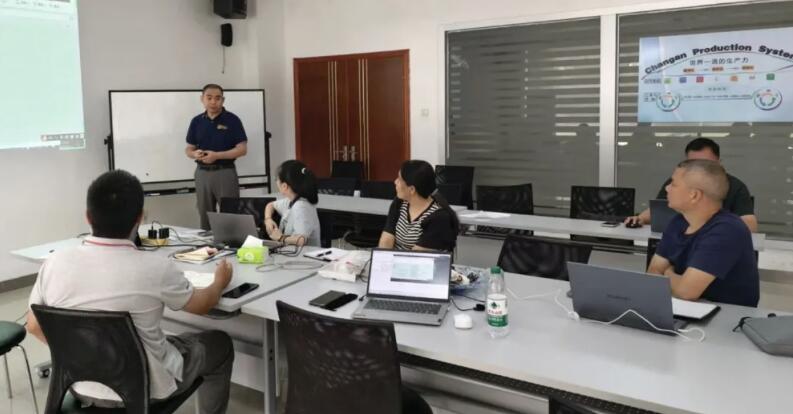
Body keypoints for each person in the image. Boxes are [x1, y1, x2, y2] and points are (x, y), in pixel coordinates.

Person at [25, 170, 235, 413]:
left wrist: (82, 356)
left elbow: (33, 325)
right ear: (140, 218)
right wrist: (219, 281)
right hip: (144, 391)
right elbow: (201, 305)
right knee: (220, 344)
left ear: (88, 217)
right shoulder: (155, 267)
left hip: (80, 386)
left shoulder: (54, 262)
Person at [646, 159, 759, 307]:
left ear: (694, 195)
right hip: (681, 307)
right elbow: (653, 273)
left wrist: (667, 273)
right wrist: (674, 280)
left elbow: (686, 292)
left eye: (673, 184)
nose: (667, 188)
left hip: (725, 315)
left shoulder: (727, 230)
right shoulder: (678, 221)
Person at [625, 138, 757, 232]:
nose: (699, 169)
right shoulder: (677, 182)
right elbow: (659, 209)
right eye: (693, 164)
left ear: (719, 163)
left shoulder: (735, 186)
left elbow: (750, 225)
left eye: (705, 164)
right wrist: (640, 218)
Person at [186, 84, 248, 230]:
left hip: (224, 172)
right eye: (209, 98)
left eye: (217, 98)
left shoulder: (232, 120)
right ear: (202, 99)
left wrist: (217, 156)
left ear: (223, 100)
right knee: (205, 214)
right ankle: (207, 243)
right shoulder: (196, 121)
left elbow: (242, 149)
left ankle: (230, 242)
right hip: (202, 173)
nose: (213, 102)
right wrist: (194, 154)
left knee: (230, 214)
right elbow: (189, 148)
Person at [378, 160, 460, 251]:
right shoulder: (400, 202)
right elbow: (387, 238)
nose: (395, 182)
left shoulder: (439, 217)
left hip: (417, 259)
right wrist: (383, 257)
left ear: (412, 189)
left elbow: (417, 255)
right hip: (396, 257)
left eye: (399, 179)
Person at [263, 160, 321, 246]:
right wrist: (268, 219)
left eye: (276, 179)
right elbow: (270, 205)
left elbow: (300, 240)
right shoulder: (291, 200)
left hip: (305, 253)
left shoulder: (301, 206)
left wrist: (280, 237)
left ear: (284, 186)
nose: (276, 182)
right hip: (291, 251)